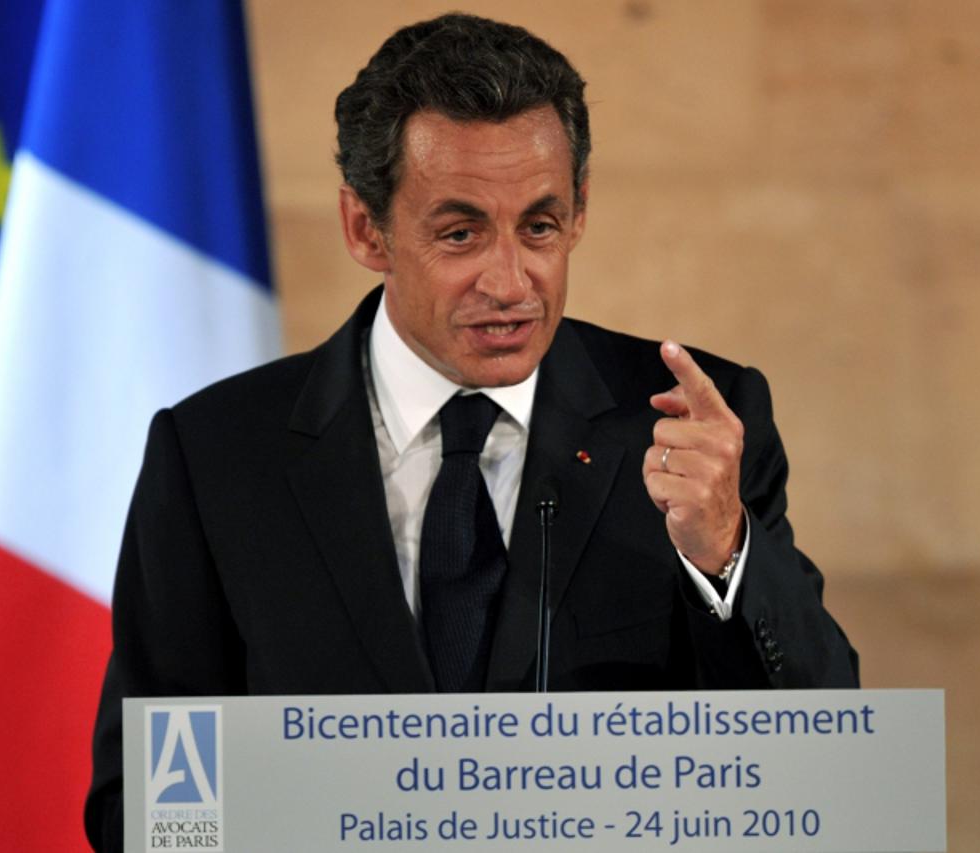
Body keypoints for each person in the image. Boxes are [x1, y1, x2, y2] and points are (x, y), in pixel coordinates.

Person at [85, 13, 857, 850]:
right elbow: (142, 804)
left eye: (540, 226)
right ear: (364, 228)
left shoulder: (686, 423)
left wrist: (726, 551)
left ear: (581, 210)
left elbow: (819, 758)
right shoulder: (216, 455)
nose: (510, 280)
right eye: (460, 233)